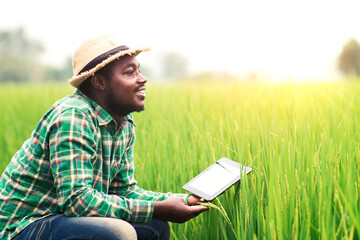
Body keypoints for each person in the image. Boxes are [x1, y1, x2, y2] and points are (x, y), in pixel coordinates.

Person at [0, 35, 209, 240]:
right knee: (117, 233)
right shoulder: (73, 117)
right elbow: (77, 201)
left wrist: (182, 200)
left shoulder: (123, 123)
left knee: (155, 227)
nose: (142, 79)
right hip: (22, 226)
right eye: (130, 73)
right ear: (99, 82)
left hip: (61, 218)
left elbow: (123, 190)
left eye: (139, 70)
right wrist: (155, 207)